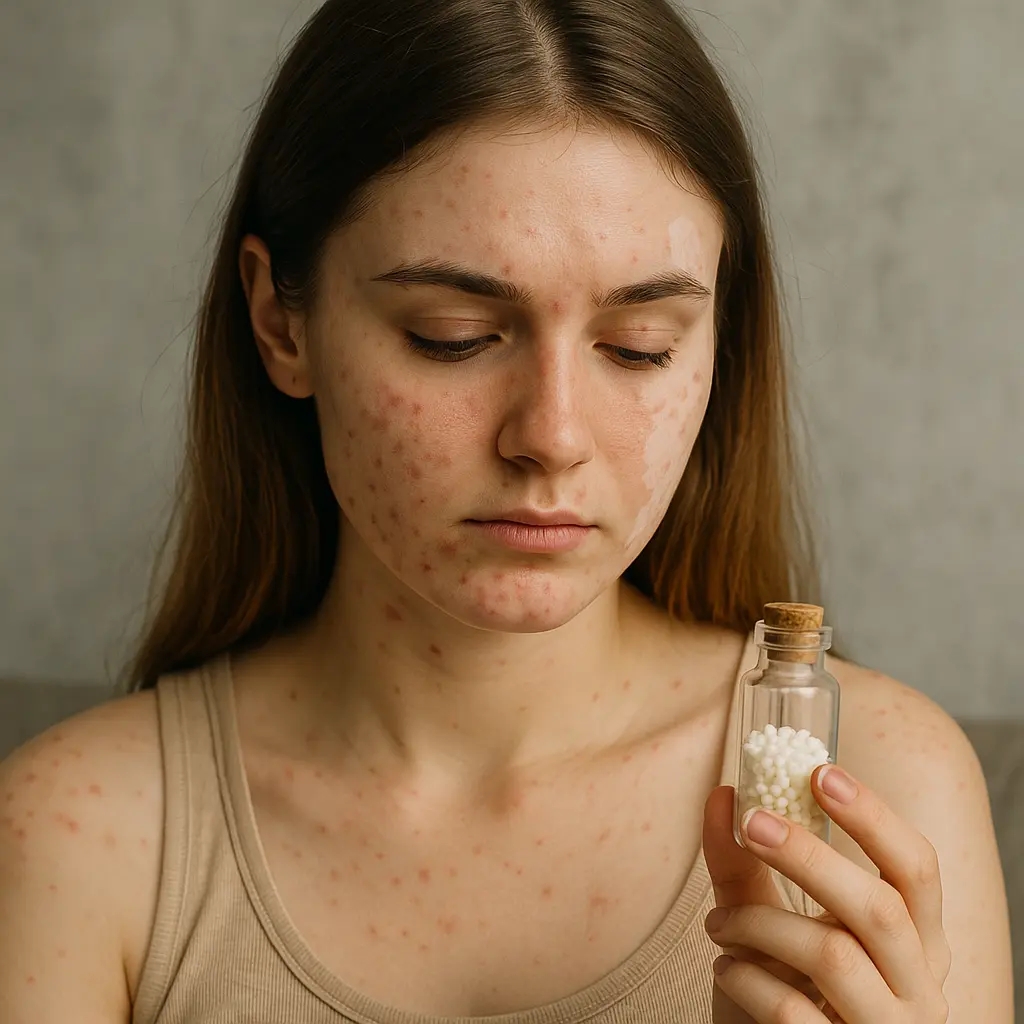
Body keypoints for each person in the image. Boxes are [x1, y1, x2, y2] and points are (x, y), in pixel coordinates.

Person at [0, 0, 1013, 1020]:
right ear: (280, 320)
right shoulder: (83, 836)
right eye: (453, 334)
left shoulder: (884, 786)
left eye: (639, 346)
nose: (552, 434)